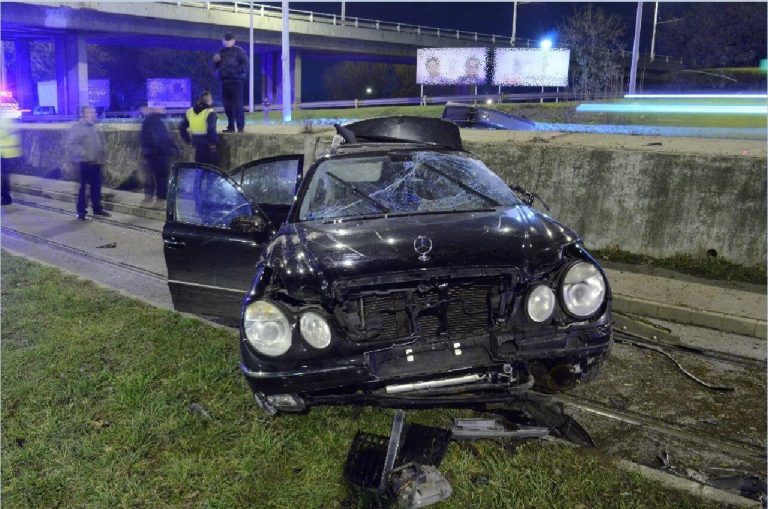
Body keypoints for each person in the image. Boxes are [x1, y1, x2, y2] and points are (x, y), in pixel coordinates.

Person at [68, 106, 110, 220]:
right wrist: (85, 154)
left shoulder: (96, 126)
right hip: (85, 162)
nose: (93, 114)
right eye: (90, 112)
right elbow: (73, 144)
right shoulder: (78, 127)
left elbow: (102, 142)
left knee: (96, 187)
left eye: (94, 112)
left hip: (97, 162)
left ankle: (97, 208)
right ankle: (81, 211)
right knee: (83, 188)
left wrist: (104, 153)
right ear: (83, 114)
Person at [140, 105, 177, 204]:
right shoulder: (158, 122)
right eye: (162, 108)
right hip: (160, 154)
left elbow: (145, 138)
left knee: (151, 177)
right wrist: (172, 148)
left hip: (153, 154)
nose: (164, 110)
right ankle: (160, 199)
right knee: (161, 178)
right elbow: (165, 138)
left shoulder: (149, 121)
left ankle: (149, 198)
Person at [213, 33, 248, 133]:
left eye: (229, 40)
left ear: (233, 40)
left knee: (238, 105)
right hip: (225, 81)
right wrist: (215, 62)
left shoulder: (239, 51)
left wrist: (236, 71)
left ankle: (240, 127)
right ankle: (231, 126)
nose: (227, 42)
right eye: (225, 40)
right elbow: (215, 66)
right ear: (223, 41)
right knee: (227, 106)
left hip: (236, 81)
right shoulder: (221, 51)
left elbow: (245, 64)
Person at [179, 91, 219, 165]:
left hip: (197, 144)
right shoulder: (210, 112)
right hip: (208, 146)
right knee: (212, 171)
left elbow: (181, 127)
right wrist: (214, 143)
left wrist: (188, 140)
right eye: (211, 99)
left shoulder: (190, 112)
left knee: (199, 168)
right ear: (209, 101)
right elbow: (211, 129)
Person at [0, 110, 21, 206]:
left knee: (4, 176)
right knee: (5, 176)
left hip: (5, 153)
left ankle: (5, 197)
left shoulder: (3, 121)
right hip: (12, 152)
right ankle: (5, 196)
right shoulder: (11, 119)